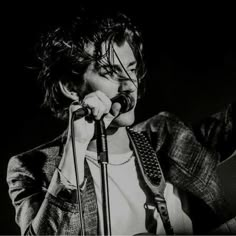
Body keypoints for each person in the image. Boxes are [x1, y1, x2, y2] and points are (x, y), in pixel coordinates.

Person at [6, 8, 236, 235]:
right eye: (110, 73)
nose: (128, 86)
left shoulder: (164, 135)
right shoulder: (33, 168)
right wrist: (75, 150)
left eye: (132, 70)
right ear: (70, 87)